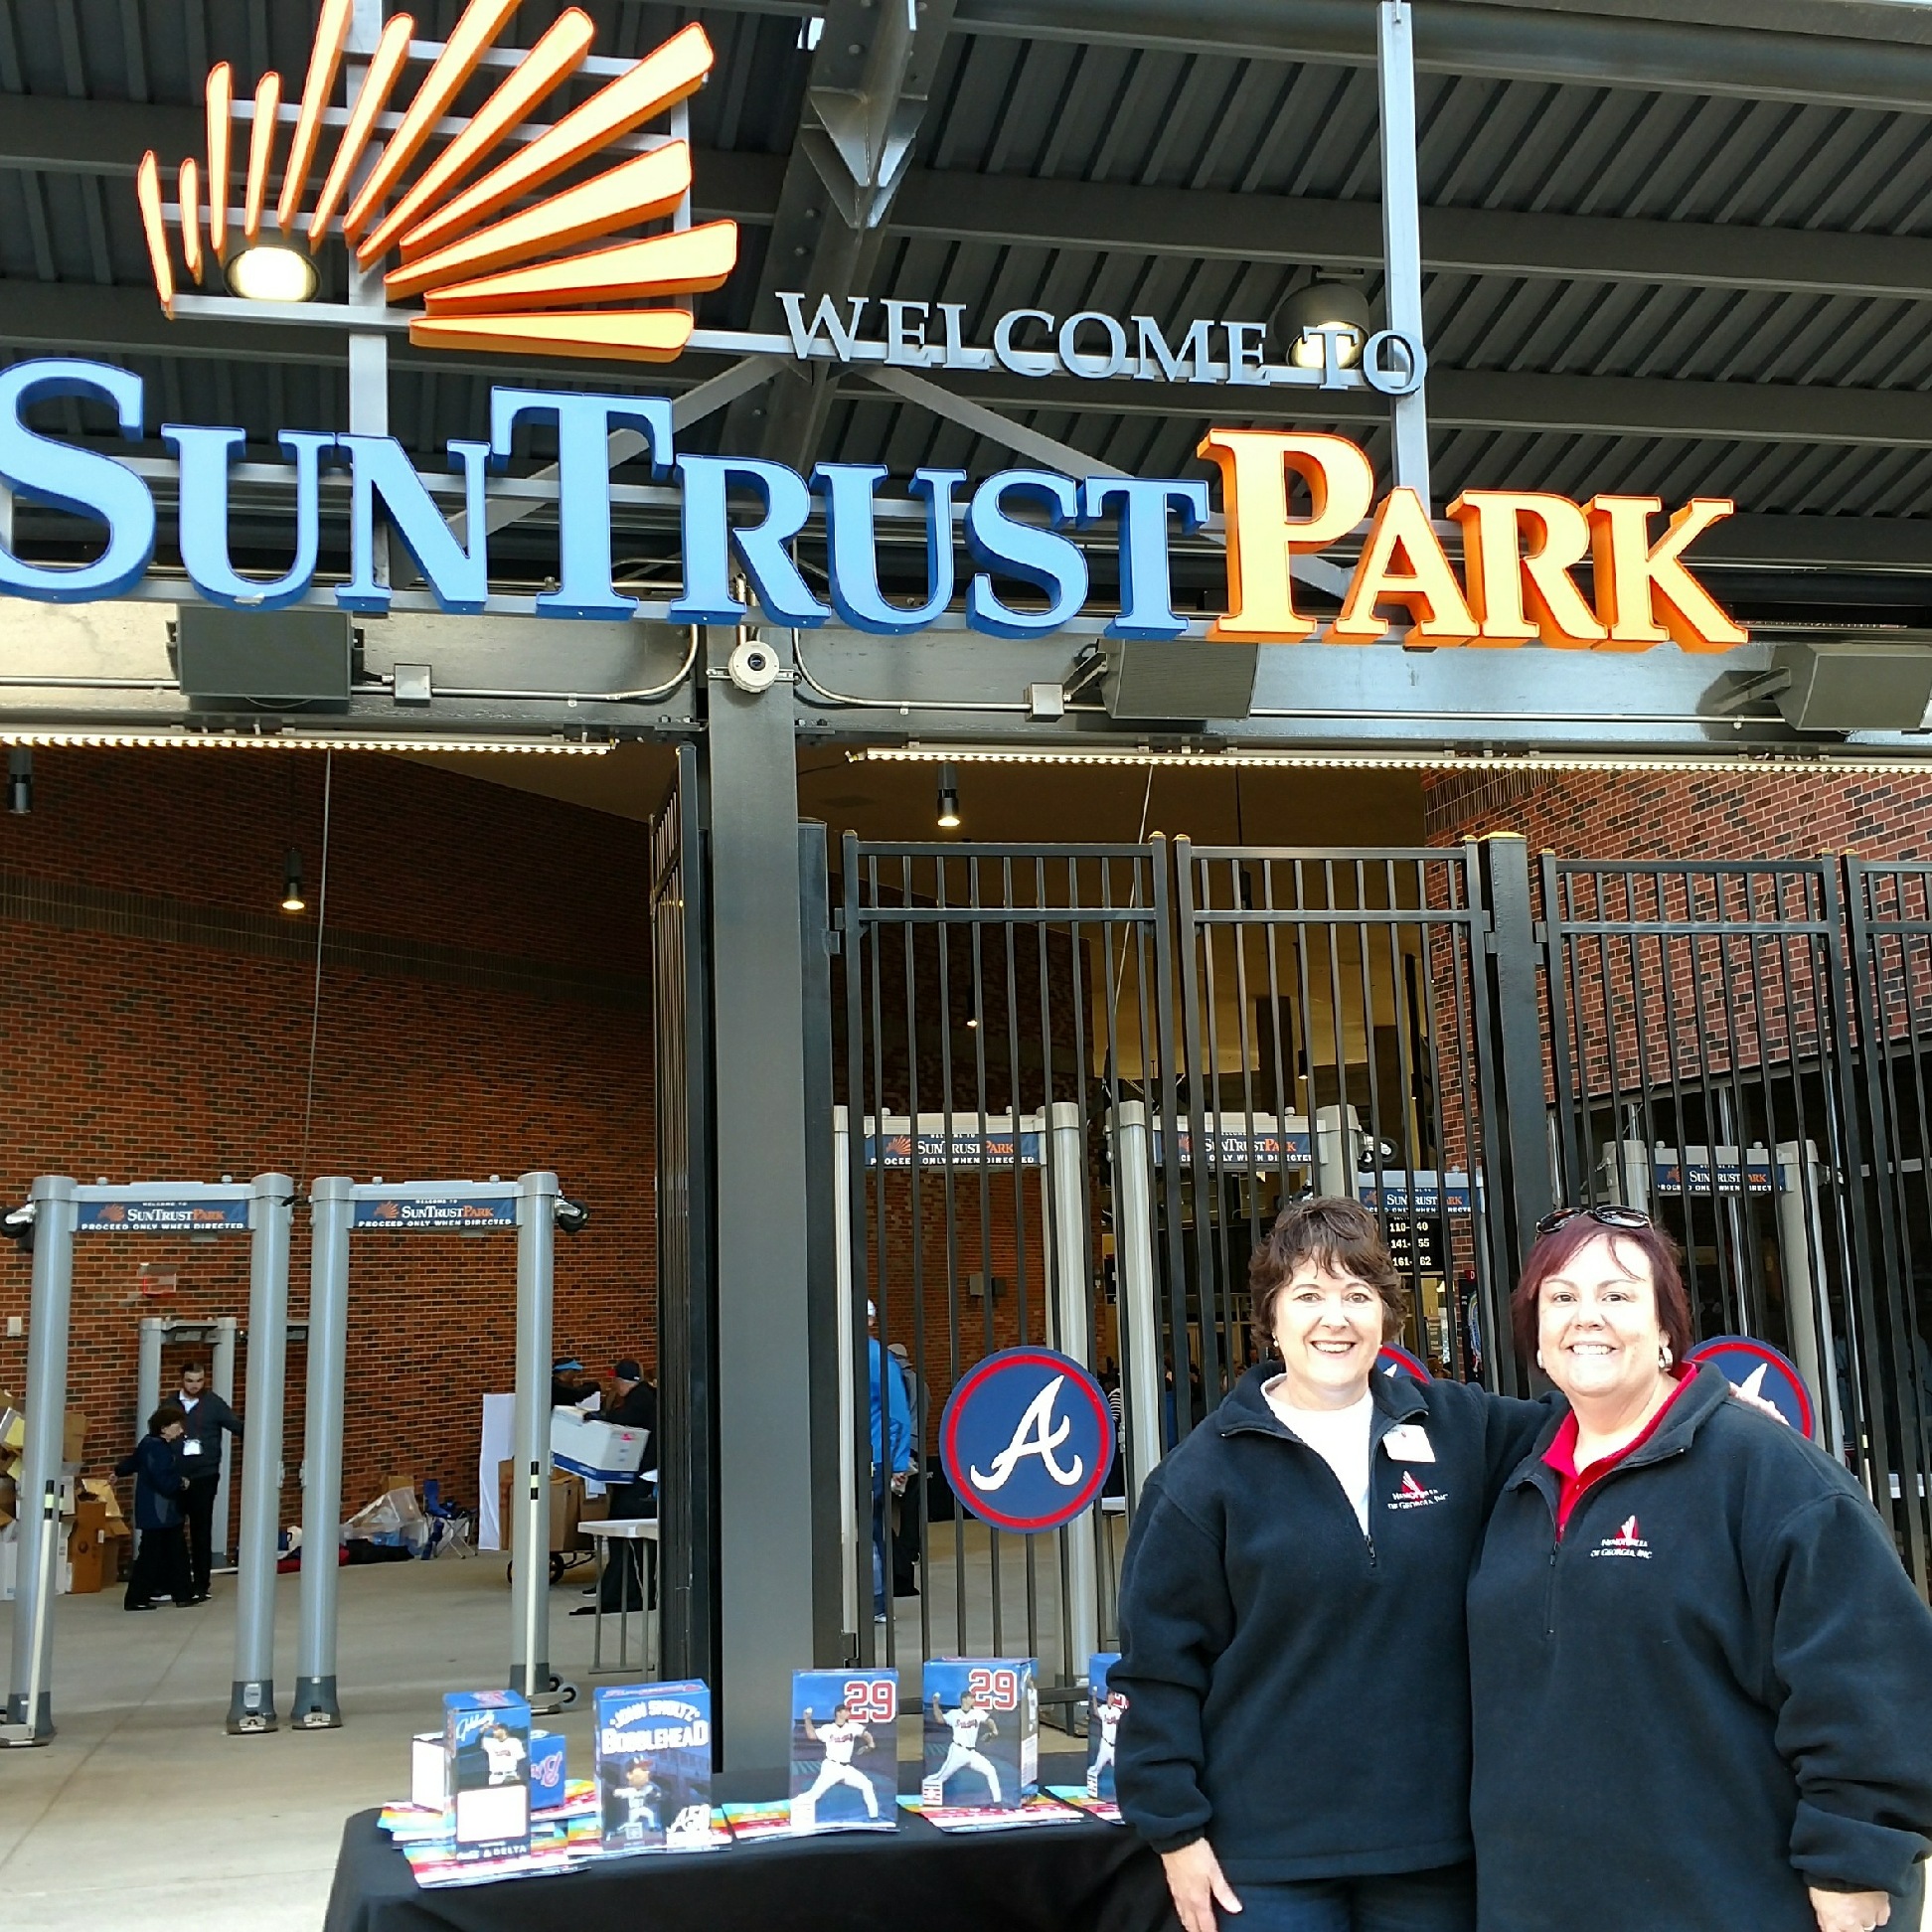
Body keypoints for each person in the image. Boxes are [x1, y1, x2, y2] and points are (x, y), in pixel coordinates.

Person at [1467, 1205, 1932, 1932]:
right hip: (1543, 1901)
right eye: (1561, 1298)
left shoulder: (1767, 1472)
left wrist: (1857, 1857)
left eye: (1618, 1296)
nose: (1586, 1318)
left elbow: (1870, 1672)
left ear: (1665, 1331)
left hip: (1728, 1897)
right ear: (1536, 1337)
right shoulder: (1514, 1474)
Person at [1114, 1198, 1549, 1932]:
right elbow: (1158, 1671)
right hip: (1265, 1859)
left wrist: (1698, 1397)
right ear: (1272, 1318)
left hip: (1432, 1849)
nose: (1335, 1318)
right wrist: (1176, 1832)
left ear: (1386, 1312)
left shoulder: (1461, 1430)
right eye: (1309, 1295)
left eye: (1357, 1294)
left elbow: (1598, 1425)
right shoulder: (1200, 1479)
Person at [575, 1357, 658, 1618]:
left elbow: (628, 1421)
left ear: (621, 1382)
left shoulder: (640, 1399)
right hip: (641, 1476)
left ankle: (630, 1593)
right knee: (627, 1537)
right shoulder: (647, 1396)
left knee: (627, 1534)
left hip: (641, 1479)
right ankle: (618, 1589)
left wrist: (601, 1417)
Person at [172, 1360, 241, 1602]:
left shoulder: (213, 1404)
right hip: (176, 1475)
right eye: (189, 1380)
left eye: (199, 1380)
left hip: (204, 1475)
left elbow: (236, 1426)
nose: (194, 1385)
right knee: (173, 1529)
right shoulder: (171, 1404)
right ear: (182, 1380)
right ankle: (176, 1580)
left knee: (201, 1530)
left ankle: (201, 1583)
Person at [116, 1402, 194, 1610]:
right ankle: (139, 1597)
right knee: (156, 1555)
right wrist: (181, 1482)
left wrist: (118, 1472)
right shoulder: (159, 1449)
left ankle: (181, 1593)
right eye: (177, 1426)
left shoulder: (148, 1444)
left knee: (170, 1553)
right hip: (160, 1511)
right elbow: (163, 1479)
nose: (180, 1430)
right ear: (164, 1428)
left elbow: (133, 1462)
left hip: (157, 1512)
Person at [868, 1303, 912, 1623]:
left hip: (873, 1457)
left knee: (869, 1528)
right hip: (873, 1455)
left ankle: (876, 1600)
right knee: (872, 1527)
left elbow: (896, 1414)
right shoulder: (875, 1357)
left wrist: (897, 1461)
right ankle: (875, 1600)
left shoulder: (875, 1358)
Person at [887, 1341, 927, 1598]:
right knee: (911, 1504)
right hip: (916, 1445)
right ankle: (911, 1551)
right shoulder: (920, 1383)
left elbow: (894, 1416)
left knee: (890, 1509)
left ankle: (898, 1561)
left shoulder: (896, 1379)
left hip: (899, 1447)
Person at [800, 1700, 881, 1819]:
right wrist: (807, 1719)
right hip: (831, 1767)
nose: (849, 1712)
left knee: (867, 1785)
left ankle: (874, 1817)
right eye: (846, 1710)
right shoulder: (828, 1728)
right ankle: (798, 1810)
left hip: (846, 1768)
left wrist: (870, 1744)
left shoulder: (853, 1727)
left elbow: (865, 1734)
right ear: (838, 1713)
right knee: (814, 1795)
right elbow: (812, 1735)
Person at [929, 1686, 1002, 1803]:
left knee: (990, 1770)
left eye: (973, 1698)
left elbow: (989, 1720)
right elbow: (940, 1719)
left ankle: (998, 1801)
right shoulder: (954, 1714)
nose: (973, 1700)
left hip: (971, 1753)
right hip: (958, 1751)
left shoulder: (977, 1713)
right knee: (940, 1777)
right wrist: (935, 1704)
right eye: (971, 1697)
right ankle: (928, 1794)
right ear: (964, 1699)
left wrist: (994, 1731)